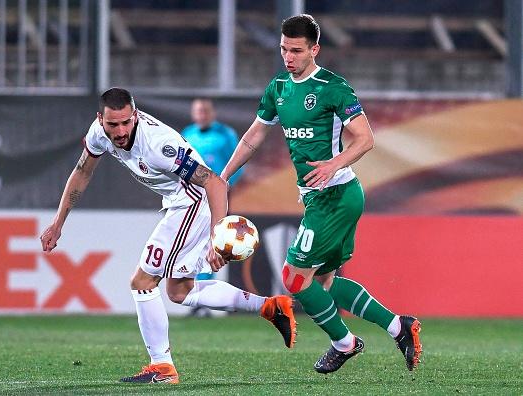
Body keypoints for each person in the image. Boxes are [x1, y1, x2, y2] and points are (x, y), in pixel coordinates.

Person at [39, 88, 296, 385]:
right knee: (180, 291)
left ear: (135, 115)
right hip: (178, 202)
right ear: (101, 119)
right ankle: (269, 306)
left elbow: (214, 183)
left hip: (193, 201)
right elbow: (82, 172)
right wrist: (58, 223)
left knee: (142, 281)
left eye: (126, 123)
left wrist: (216, 234)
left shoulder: (158, 145)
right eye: (113, 125)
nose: (120, 131)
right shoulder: (98, 133)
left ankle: (162, 367)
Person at [220, 14, 422, 375]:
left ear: (315, 49)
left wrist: (333, 163)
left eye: (296, 50)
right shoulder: (279, 87)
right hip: (322, 197)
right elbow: (253, 137)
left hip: (335, 194)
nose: (289, 57)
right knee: (324, 282)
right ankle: (399, 327)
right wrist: (223, 177)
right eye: (283, 49)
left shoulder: (333, 87)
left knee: (294, 278)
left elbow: (365, 138)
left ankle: (344, 343)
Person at [181, 98, 244, 317]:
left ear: (212, 112)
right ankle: (195, 294)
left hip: (217, 198)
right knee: (193, 244)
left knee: (214, 243)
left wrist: (225, 188)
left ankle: (206, 297)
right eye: (198, 110)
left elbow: (238, 164)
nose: (202, 114)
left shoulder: (225, 135)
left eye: (205, 110)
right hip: (192, 199)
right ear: (193, 113)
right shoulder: (187, 134)